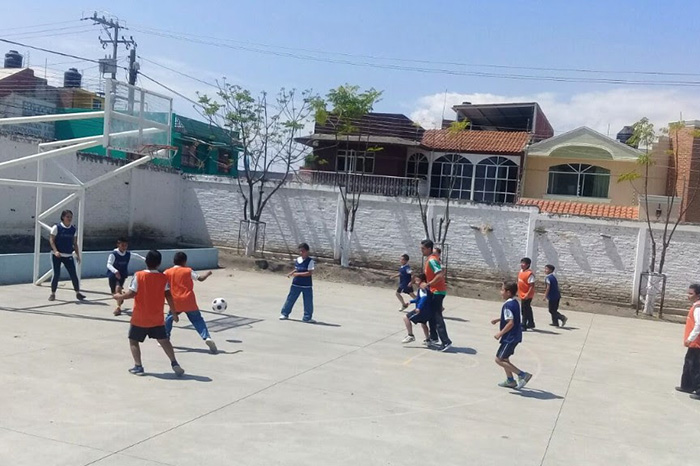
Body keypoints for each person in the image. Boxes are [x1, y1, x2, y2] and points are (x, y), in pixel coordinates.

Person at [113, 250, 185, 377]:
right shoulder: (163, 278)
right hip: (156, 317)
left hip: (140, 317)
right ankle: (174, 362)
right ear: (159, 263)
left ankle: (138, 366)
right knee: (164, 340)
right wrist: (174, 313)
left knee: (133, 340)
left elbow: (132, 293)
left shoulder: (139, 275)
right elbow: (169, 296)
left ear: (146, 261)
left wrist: (119, 296)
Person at [164, 251, 217, 354]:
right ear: (185, 261)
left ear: (173, 261)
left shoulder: (167, 272)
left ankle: (165, 338)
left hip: (175, 301)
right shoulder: (188, 270)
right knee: (198, 320)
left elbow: (163, 284)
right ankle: (206, 337)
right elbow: (200, 279)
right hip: (189, 300)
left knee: (169, 319)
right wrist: (208, 273)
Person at [492, 281, 532, 389]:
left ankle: (522, 375)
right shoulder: (514, 302)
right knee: (505, 359)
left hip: (510, 337)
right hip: (515, 335)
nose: (501, 292)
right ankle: (510, 380)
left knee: (499, 359)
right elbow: (512, 317)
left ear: (508, 292)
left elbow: (510, 323)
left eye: (502, 290)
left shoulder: (507, 305)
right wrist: (499, 319)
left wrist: (500, 333)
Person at [420, 239, 451, 351]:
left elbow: (439, 275)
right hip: (434, 290)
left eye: (423, 248)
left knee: (437, 317)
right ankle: (433, 337)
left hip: (438, 292)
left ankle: (446, 341)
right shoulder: (429, 259)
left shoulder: (432, 260)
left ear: (429, 249)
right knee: (432, 315)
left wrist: (428, 284)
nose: (422, 250)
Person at [48, 209, 85, 302]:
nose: (69, 218)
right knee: (56, 274)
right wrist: (56, 251)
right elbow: (51, 240)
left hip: (68, 255)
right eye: (67, 217)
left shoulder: (73, 229)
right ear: (63, 217)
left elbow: (75, 243)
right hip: (57, 255)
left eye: (71, 217)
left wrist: (77, 255)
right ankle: (52, 293)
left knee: (73, 274)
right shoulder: (56, 227)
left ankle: (77, 292)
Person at [107, 237, 145, 316]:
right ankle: (121, 295)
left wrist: (145, 259)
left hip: (122, 275)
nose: (124, 247)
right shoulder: (113, 254)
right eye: (122, 245)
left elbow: (136, 256)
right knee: (114, 294)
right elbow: (109, 264)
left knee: (118, 288)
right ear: (118, 245)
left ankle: (118, 307)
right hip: (113, 275)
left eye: (126, 245)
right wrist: (115, 271)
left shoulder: (128, 254)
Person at [279, 243, 316, 323]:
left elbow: (309, 273)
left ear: (307, 251)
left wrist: (298, 274)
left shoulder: (310, 261)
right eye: (300, 251)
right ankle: (285, 314)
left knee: (308, 302)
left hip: (306, 285)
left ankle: (307, 317)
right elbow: (297, 269)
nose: (301, 253)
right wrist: (291, 273)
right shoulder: (298, 260)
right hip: (296, 284)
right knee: (290, 299)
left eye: (303, 251)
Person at [676, 283, 700, 398]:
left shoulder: (698, 308)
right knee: (689, 364)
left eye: (691, 293)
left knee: (696, 367)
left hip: (697, 343)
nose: (688, 296)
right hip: (694, 343)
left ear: (698, 295)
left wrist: (690, 339)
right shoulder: (695, 306)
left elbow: (698, 325)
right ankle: (687, 386)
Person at [401, 274, 432, 344]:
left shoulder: (422, 288)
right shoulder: (424, 288)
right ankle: (428, 339)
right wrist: (411, 302)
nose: (416, 282)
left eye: (418, 280)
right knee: (423, 323)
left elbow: (424, 298)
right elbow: (418, 299)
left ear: (422, 281)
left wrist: (419, 308)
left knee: (406, 317)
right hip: (426, 309)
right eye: (416, 280)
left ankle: (410, 335)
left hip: (422, 309)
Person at [518, 257, 536, 330]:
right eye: (521, 263)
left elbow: (532, 286)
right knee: (527, 309)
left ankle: (524, 325)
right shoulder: (521, 271)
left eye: (524, 263)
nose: (522, 265)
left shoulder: (530, 274)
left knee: (524, 310)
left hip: (527, 295)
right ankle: (531, 323)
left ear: (528, 265)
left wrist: (527, 294)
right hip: (522, 293)